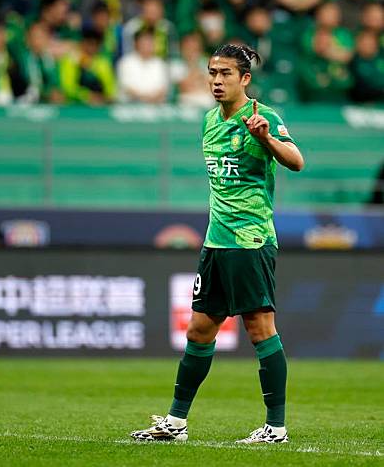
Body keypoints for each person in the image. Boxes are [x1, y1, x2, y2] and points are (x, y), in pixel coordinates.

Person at [130, 43, 304, 444]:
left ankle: (276, 428)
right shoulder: (209, 120)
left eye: (225, 74)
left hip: (251, 240)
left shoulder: (263, 116)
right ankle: (176, 423)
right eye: (212, 73)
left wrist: (267, 140)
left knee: (260, 328)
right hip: (216, 242)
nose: (216, 81)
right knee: (199, 330)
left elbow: (296, 161)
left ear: (245, 79)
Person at [59, 28, 116, 105]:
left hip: (100, 105)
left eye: (95, 45)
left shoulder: (102, 63)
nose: (91, 48)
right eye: (89, 44)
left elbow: (110, 88)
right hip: (75, 105)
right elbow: (68, 87)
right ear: (82, 43)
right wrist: (87, 96)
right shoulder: (70, 61)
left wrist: (106, 97)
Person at [117, 28, 169, 103]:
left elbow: (163, 89)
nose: (147, 45)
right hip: (130, 105)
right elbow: (126, 87)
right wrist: (144, 98)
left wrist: (151, 99)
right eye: (144, 42)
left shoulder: (160, 64)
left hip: (155, 106)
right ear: (136, 43)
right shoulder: (126, 62)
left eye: (150, 42)